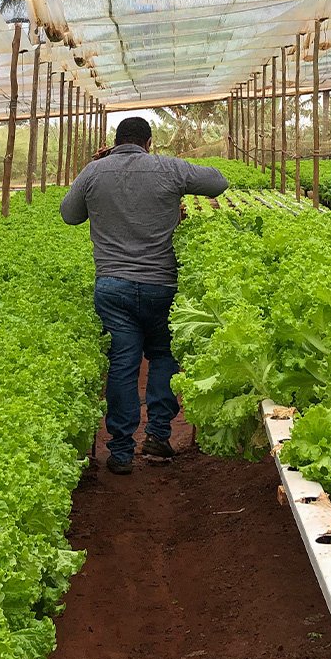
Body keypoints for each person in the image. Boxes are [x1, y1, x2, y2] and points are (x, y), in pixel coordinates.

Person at [59, 117, 229, 474]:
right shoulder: (167, 167)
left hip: (112, 286)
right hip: (160, 285)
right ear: (148, 142)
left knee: (123, 363)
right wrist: (174, 176)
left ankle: (120, 451)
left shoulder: (94, 171)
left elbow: (69, 215)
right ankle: (157, 434)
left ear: (114, 141)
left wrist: (95, 168)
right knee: (164, 355)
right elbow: (218, 182)